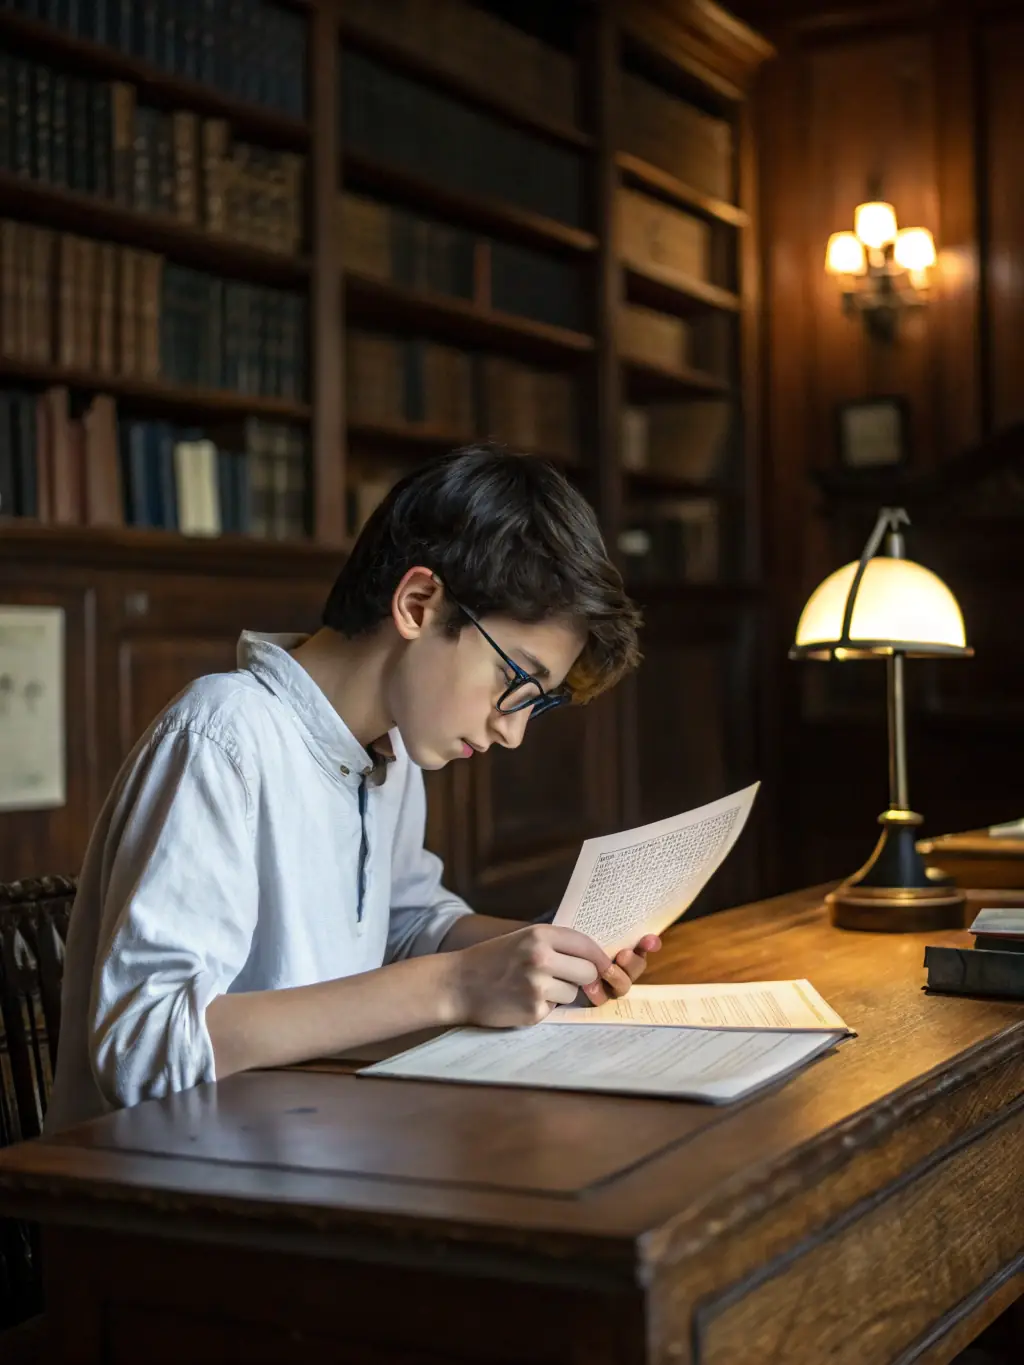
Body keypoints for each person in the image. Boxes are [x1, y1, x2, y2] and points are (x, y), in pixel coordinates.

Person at [46, 444, 659, 1133]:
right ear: (418, 604)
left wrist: (549, 953)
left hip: (329, 1141)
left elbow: (404, 926)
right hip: (181, 1177)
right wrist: (456, 984)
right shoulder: (222, 735)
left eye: (536, 703)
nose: (512, 732)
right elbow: (144, 1050)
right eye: (515, 680)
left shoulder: (390, 748)